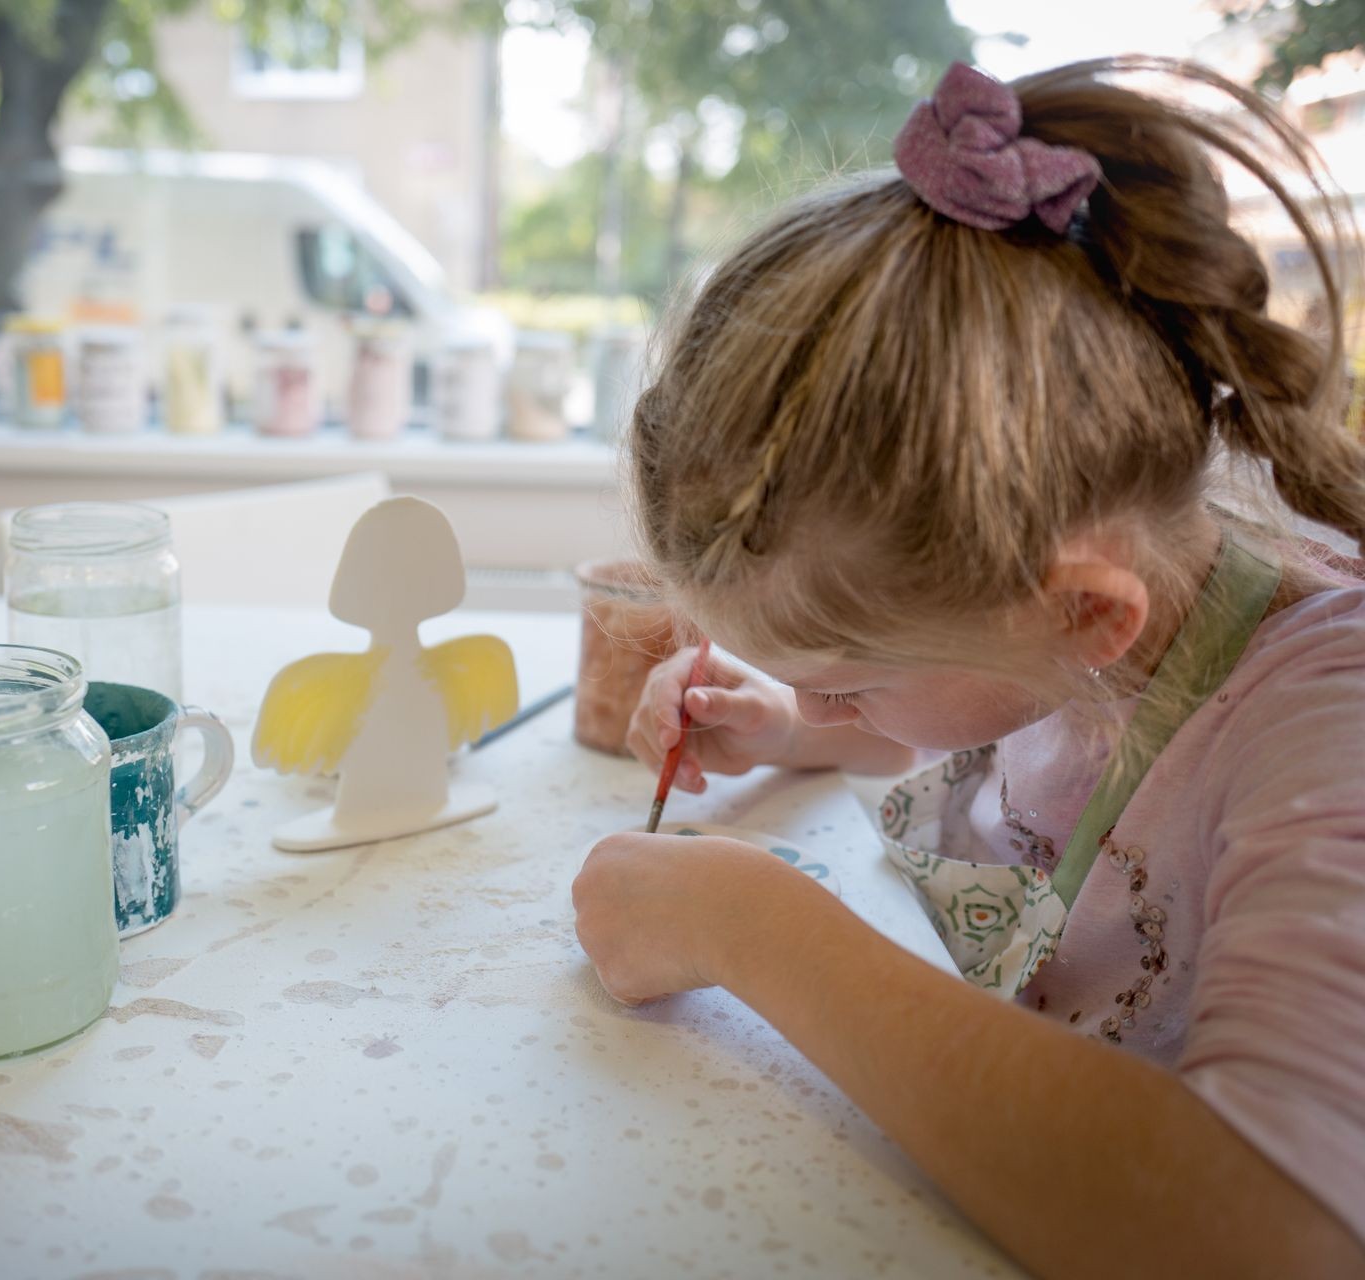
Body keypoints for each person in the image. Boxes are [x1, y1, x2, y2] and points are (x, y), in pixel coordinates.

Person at [572, 57, 1365, 1277]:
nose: (837, 701)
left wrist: (749, 926)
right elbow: (996, 719)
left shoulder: (1329, 728)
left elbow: (1272, 1227)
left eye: (850, 673)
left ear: (1086, 614)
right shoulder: (1094, 621)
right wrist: (803, 720)